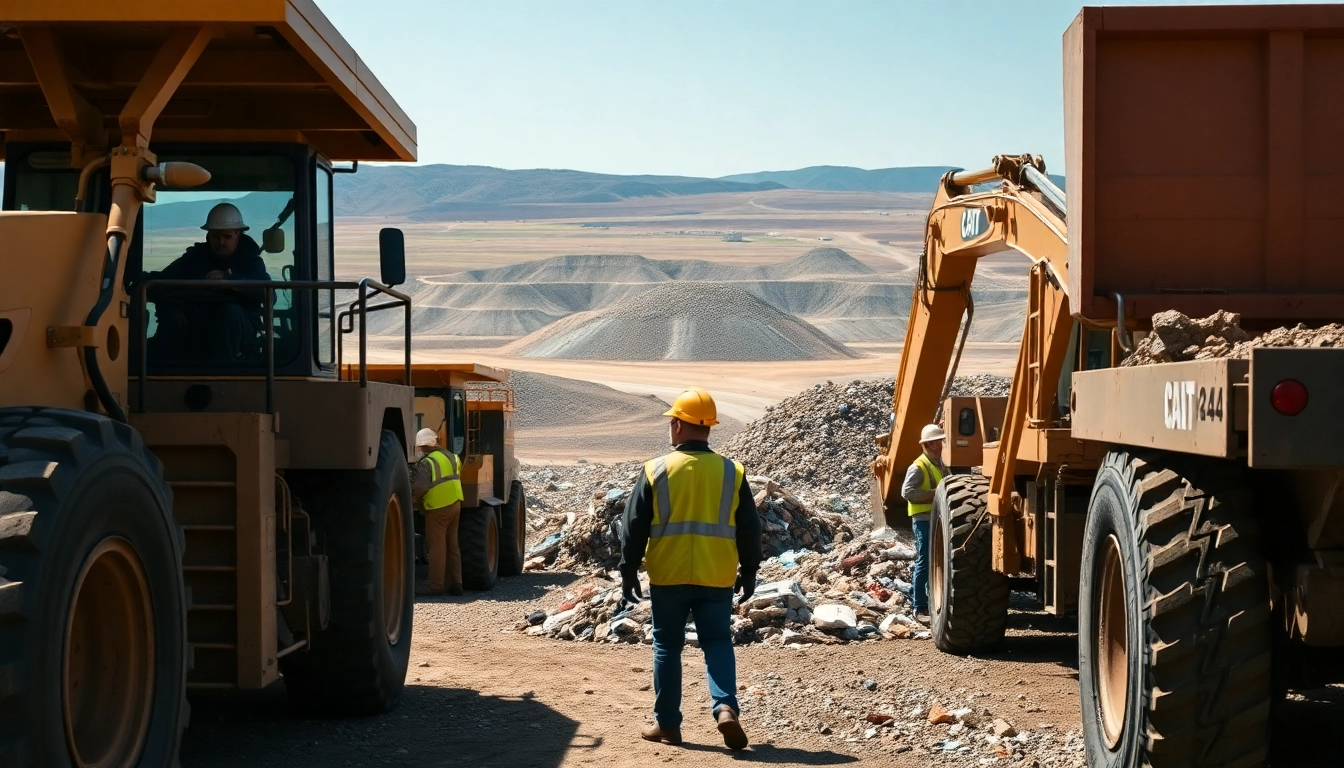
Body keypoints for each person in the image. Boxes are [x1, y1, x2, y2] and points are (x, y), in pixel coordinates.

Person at [618, 388, 762, 751]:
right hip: (717, 574)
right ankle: (726, 706)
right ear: (709, 427)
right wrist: (750, 570)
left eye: (672, 421)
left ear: (679, 426)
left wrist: (628, 570)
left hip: (669, 575)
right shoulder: (732, 471)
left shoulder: (656, 469)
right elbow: (749, 527)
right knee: (716, 641)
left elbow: (633, 525)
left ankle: (667, 725)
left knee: (667, 646)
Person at [146, 202, 271, 362]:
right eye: (215, 236)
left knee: (230, 312)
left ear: (238, 234)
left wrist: (230, 281)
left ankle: (224, 373)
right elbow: (161, 282)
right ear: (208, 236)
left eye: (227, 237)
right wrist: (172, 308)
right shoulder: (194, 259)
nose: (221, 242)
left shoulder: (252, 262)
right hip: (195, 328)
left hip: (238, 337)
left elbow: (266, 293)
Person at [411, 427, 465, 596]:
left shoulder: (427, 462)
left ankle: (435, 587)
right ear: (436, 441)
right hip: (455, 503)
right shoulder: (452, 456)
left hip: (438, 507)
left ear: (420, 446)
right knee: (452, 545)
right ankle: (456, 583)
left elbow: (420, 487)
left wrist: (413, 498)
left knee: (436, 547)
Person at [902, 423, 947, 620]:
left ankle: (931, 600)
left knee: (936, 561)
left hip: (938, 520)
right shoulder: (918, 466)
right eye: (935, 442)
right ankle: (919, 605)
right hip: (923, 520)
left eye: (940, 441)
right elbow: (907, 492)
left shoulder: (940, 464)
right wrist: (935, 495)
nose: (940, 445)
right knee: (925, 560)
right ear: (927, 445)